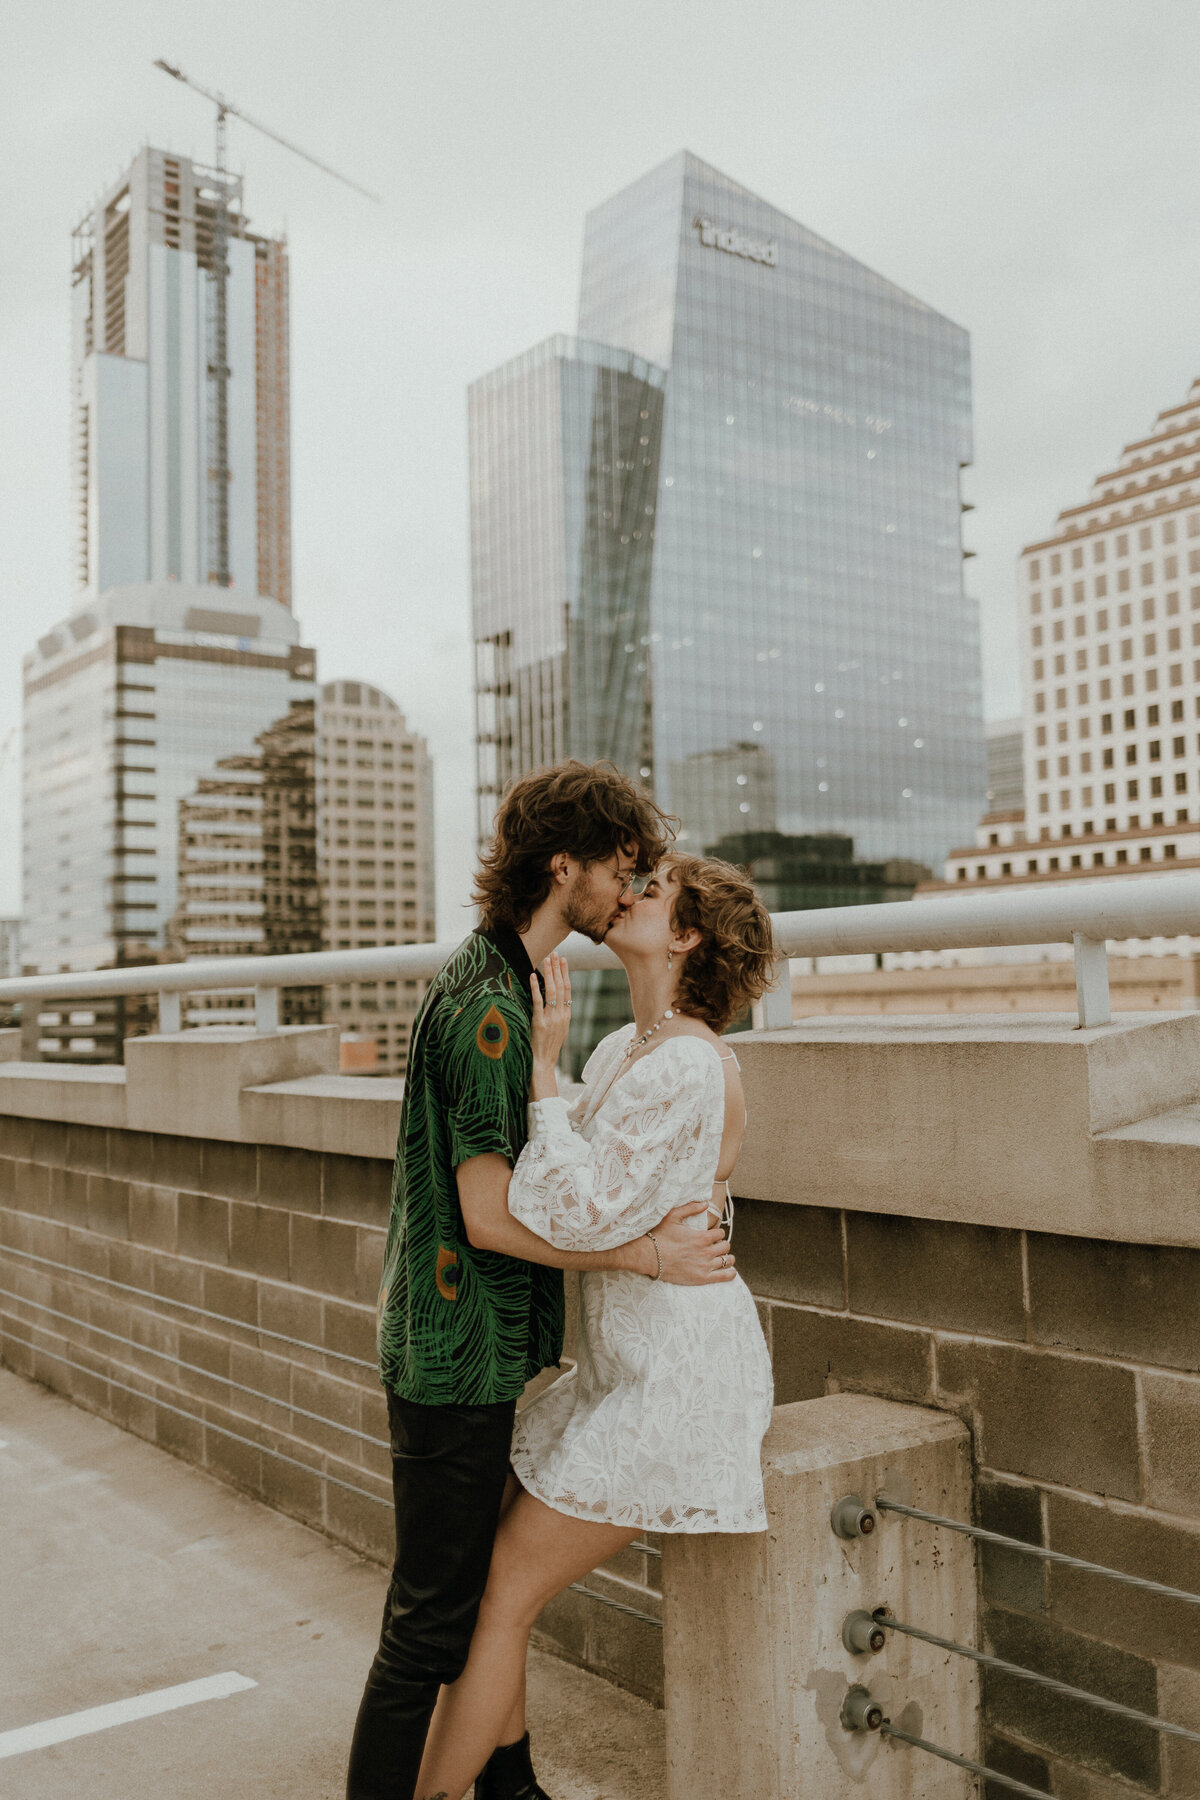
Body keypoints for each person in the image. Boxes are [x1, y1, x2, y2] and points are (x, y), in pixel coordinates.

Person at [345, 768, 739, 1800]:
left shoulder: (506, 985)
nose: (628, 888)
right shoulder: (489, 1007)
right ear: (564, 866)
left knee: (474, 1598)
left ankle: (510, 1789)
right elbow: (488, 1217)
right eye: (620, 868)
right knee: (429, 1627)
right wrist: (644, 1257)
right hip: (454, 1349)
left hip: (469, 1347)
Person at [413, 853, 778, 1800]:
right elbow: (595, 1159)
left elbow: (576, 1211)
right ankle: (509, 1785)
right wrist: (550, 1068)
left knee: (500, 1591)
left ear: (687, 937)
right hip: (626, 1363)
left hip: (677, 1379)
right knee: (502, 1583)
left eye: (650, 893)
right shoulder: (626, 1052)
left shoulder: (691, 1063)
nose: (626, 896)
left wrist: (539, 1086)